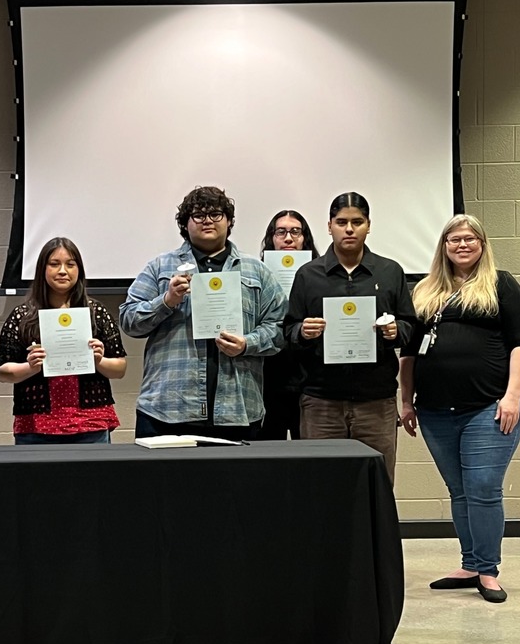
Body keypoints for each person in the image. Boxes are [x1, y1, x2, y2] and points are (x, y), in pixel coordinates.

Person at [400, 213, 520, 604]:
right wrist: (405, 400)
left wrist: (512, 396)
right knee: (458, 490)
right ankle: (471, 562)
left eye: (470, 239)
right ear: (443, 246)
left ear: (482, 245)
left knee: (483, 489)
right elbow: (408, 353)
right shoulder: (424, 291)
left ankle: (488, 570)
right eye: (454, 239)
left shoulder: (500, 284)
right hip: (435, 411)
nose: (462, 245)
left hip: (488, 407)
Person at [120, 185, 287, 441]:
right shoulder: (160, 267)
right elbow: (129, 320)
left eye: (216, 214)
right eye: (198, 215)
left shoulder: (256, 271)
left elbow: (278, 326)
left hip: (237, 411)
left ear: (229, 221)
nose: (207, 220)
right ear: (185, 223)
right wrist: (167, 300)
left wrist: (247, 344)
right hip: (167, 411)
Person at [283, 192, 415, 482]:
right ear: (329, 226)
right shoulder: (308, 275)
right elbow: (288, 330)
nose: (350, 228)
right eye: (342, 222)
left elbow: (410, 326)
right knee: (321, 487)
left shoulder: (390, 271)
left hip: (375, 401)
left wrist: (396, 331)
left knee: (377, 485)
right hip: (321, 403)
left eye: (357, 222)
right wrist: (303, 332)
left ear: (369, 225)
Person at [0, 237, 126, 443]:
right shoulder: (23, 316)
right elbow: (3, 372)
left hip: (90, 421)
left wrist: (99, 360)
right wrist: (30, 367)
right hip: (36, 424)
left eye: (70, 264)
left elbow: (119, 369)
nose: (63, 271)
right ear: (42, 270)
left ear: (79, 270)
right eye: (54, 264)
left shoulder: (96, 312)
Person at [258, 209, 320, 440]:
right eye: (281, 232)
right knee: (268, 454)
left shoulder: (320, 274)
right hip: (268, 379)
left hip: (309, 380)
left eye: (295, 232)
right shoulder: (257, 273)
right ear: (271, 238)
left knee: (307, 458)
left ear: (305, 238)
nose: (288, 238)